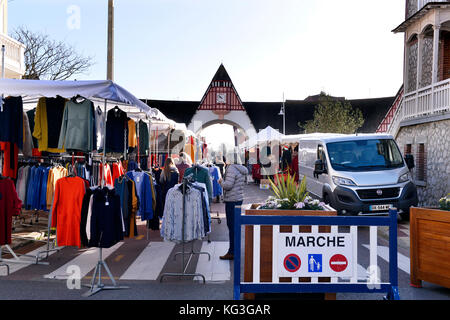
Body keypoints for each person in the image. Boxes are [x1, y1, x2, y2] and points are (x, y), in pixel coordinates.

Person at [219, 156, 248, 260]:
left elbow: (228, 185)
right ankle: (235, 250)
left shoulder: (231, 168)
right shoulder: (241, 168)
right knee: (235, 226)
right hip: (239, 198)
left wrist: (221, 182)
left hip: (232, 200)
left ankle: (232, 252)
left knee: (231, 226)